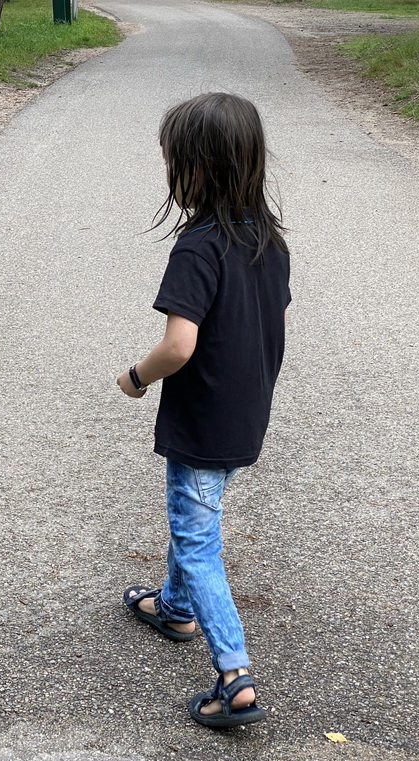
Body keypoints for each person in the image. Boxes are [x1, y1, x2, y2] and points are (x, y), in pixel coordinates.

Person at [116, 92, 291, 728]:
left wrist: (137, 376)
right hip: (245, 412)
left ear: (196, 170)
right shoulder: (270, 242)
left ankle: (235, 675)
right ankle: (173, 608)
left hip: (204, 419)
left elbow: (179, 346)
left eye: (173, 161)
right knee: (192, 520)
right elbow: (272, 325)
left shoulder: (198, 246)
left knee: (197, 541)